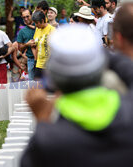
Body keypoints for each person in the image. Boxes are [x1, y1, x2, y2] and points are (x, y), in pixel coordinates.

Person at [21, 24, 133, 167]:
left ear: (52, 77)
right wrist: (95, 53)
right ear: (101, 68)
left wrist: (42, 122)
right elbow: (128, 69)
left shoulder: (47, 142)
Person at [32, 10, 55, 80]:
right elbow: (36, 46)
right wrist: (35, 60)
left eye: (36, 23)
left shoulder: (52, 30)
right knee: (37, 86)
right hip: (39, 64)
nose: (35, 25)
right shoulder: (37, 29)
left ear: (42, 20)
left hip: (49, 65)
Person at [17, 9, 36, 80]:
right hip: (30, 59)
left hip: (42, 59)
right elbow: (20, 48)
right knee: (32, 84)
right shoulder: (22, 31)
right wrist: (27, 44)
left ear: (32, 16)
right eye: (23, 17)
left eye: (27, 16)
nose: (26, 19)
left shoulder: (39, 26)